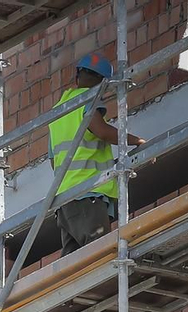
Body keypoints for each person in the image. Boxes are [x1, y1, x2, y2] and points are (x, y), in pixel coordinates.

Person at [49, 52, 145, 253]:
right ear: (103, 84)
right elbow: (101, 131)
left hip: (64, 200)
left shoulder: (58, 111)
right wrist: (137, 141)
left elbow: (53, 161)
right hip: (87, 194)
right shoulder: (88, 99)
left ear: (77, 77)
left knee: (75, 265)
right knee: (98, 255)